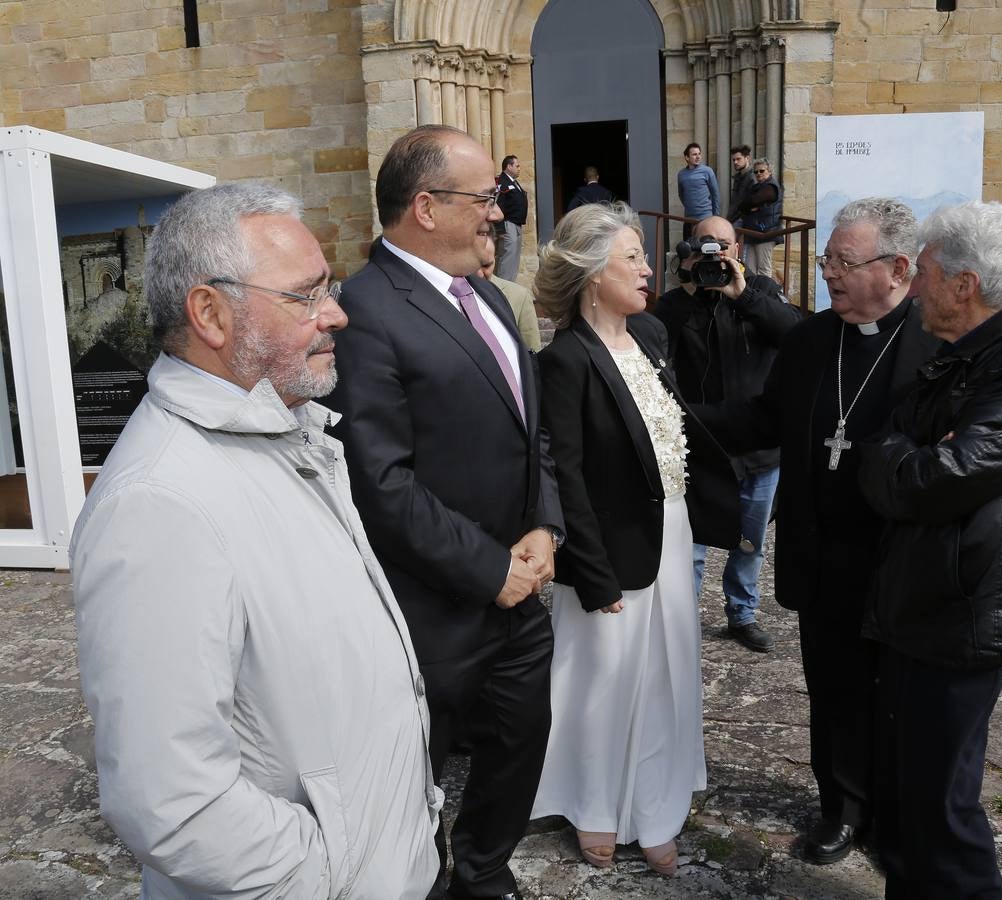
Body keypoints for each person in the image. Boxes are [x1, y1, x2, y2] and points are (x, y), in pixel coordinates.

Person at [69, 182, 440, 898]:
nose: (334, 314)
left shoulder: (284, 432)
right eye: (304, 297)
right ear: (209, 313)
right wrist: (332, 873)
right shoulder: (159, 502)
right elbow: (172, 803)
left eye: (327, 288)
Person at [698, 196, 1002, 867]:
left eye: (842, 262)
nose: (828, 274)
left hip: (903, 565)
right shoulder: (810, 340)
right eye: (826, 260)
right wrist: (668, 421)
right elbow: (764, 419)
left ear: (897, 269)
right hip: (822, 555)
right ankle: (841, 808)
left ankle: (893, 816)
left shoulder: (942, 340)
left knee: (899, 708)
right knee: (835, 692)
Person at [325, 125, 563, 900]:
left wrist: (544, 526)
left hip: (520, 596)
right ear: (425, 207)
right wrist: (488, 567)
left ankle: (485, 876)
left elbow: (536, 431)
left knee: (520, 746)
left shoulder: (489, 296)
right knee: (411, 776)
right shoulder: (363, 312)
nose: (497, 213)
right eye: (483, 199)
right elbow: (380, 482)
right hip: (427, 612)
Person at [858, 201, 1002, 897]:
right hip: (925, 601)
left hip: (965, 612)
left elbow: (930, 482)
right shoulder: (965, 349)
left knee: (943, 807)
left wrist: (909, 459)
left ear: (964, 284)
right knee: (905, 796)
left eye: (923, 272)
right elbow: (895, 441)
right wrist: (907, 456)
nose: (913, 285)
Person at [529, 202, 739, 875]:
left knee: (665, 675)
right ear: (593, 274)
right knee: (602, 683)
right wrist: (590, 571)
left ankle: (654, 805)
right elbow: (565, 472)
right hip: (607, 551)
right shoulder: (564, 360)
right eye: (632, 258)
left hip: (670, 534)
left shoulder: (648, 337)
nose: (649, 269)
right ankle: (594, 806)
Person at [654, 215, 800, 652]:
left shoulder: (763, 292)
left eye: (722, 244)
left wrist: (743, 295)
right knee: (691, 544)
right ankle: (683, 620)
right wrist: (688, 290)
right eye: (704, 244)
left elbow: (794, 336)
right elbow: (659, 363)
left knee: (750, 542)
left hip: (759, 448)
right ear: (690, 250)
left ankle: (742, 613)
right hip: (700, 445)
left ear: (737, 249)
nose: (714, 252)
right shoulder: (677, 304)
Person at [479, 258, 541, 351]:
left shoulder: (519, 295)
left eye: (486, 265)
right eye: (473, 265)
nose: (480, 273)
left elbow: (532, 349)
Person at [736, 158, 783, 276]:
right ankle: (754, 293)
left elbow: (753, 200)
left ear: (770, 171)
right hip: (754, 232)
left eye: (762, 171)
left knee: (763, 269)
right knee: (750, 269)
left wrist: (749, 206)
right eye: (756, 172)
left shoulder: (771, 186)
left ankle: (765, 294)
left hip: (766, 233)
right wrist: (749, 207)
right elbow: (743, 204)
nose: (758, 174)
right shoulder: (757, 187)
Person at [676, 142, 720, 241]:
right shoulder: (681, 174)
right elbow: (681, 194)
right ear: (687, 157)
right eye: (694, 154)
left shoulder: (707, 171)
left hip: (706, 218)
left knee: (706, 249)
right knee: (688, 250)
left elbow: (715, 194)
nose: (698, 157)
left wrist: (715, 217)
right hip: (688, 219)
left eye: (699, 154)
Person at [495, 153, 528, 278]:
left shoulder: (513, 182)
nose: (519, 169)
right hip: (508, 225)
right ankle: (504, 289)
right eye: (517, 166)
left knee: (514, 259)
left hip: (516, 225)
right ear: (509, 166)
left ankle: (511, 286)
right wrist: (500, 229)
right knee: (507, 258)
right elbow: (497, 204)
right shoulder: (502, 181)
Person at [726, 144, 754, 222]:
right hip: (734, 218)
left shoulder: (752, 178)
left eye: (738, 159)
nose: (735, 162)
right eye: (733, 160)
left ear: (747, 158)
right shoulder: (738, 177)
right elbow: (735, 202)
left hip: (744, 221)